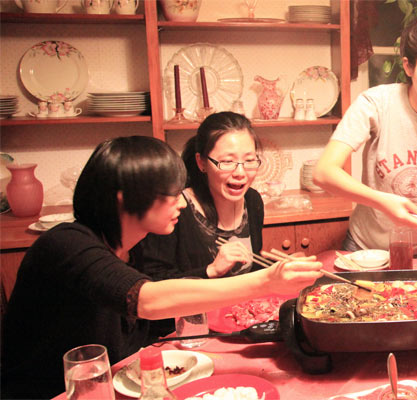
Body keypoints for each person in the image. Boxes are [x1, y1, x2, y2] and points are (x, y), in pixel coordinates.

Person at [0, 136, 322, 399]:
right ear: (125, 199)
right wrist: (267, 280)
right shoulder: (67, 244)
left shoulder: (132, 245)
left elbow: (164, 302)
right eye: (170, 195)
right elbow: (148, 300)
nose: (181, 202)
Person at [313, 13, 417, 259]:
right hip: (366, 248)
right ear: (408, 66)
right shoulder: (376, 104)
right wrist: (383, 202)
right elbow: (324, 173)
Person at [133, 112, 264, 280]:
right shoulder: (176, 209)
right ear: (201, 162)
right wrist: (210, 270)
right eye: (227, 162)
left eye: (249, 160)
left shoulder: (252, 201)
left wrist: (279, 267)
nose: (240, 172)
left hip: (242, 305)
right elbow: (152, 281)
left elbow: (252, 267)